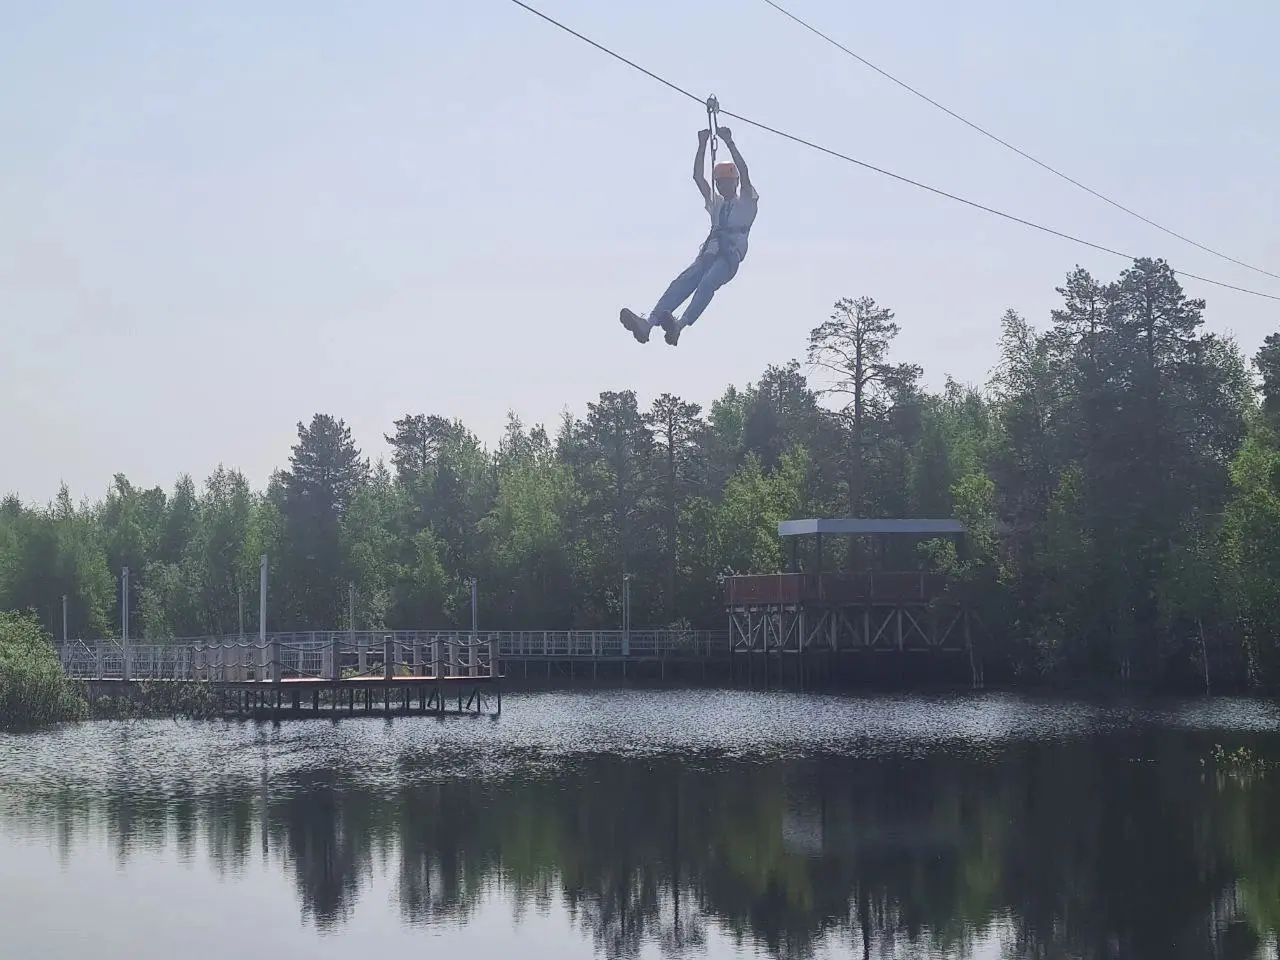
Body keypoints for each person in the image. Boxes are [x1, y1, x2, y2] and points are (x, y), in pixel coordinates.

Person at [620, 125, 758, 346]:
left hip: (729, 255)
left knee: (707, 283)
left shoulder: (746, 202)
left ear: (735, 182)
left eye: (726, 181)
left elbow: (745, 171)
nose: (722, 186)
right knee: (682, 282)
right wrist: (702, 145)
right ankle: (649, 323)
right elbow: (698, 177)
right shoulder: (717, 204)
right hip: (711, 252)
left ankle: (680, 325)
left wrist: (729, 142)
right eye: (719, 182)